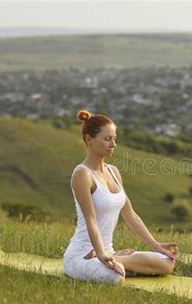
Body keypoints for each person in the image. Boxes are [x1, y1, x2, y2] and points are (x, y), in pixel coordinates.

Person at [63, 110, 180, 284]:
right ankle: (113, 261)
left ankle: (117, 258)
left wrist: (156, 245)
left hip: (106, 252)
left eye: (114, 138)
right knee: (116, 277)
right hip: (81, 256)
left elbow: (130, 215)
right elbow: (91, 219)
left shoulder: (114, 172)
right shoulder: (82, 175)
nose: (113, 144)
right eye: (107, 139)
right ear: (89, 140)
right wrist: (100, 253)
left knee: (167, 263)